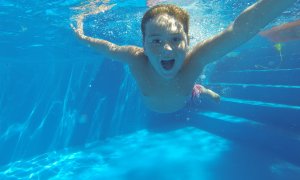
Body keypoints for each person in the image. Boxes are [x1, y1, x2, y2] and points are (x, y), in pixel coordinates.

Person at [71, 0, 297, 113]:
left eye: (176, 39)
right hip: (177, 95)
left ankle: (201, 89)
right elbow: (107, 47)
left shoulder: (195, 59)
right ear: (144, 44)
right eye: (156, 40)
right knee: (190, 85)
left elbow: (237, 31)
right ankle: (200, 88)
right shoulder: (135, 58)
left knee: (192, 88)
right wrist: (81, 36)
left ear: (188, 41)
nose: (167, 50)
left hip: (185, 97)